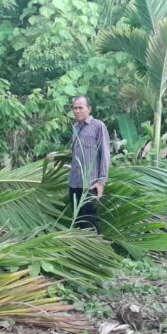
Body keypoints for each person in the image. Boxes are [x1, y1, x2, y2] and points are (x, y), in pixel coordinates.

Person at [69, 95, 111, 234]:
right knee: (78, 220)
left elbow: (105, 154)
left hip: (90, 184)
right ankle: (81, 252)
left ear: (89, 109)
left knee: (91, 220)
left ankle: (99, 250)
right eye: (75, 108)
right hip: (74, 183)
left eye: (81, 107)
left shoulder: (98, 126)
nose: (77, 111)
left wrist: (101, 182)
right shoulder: (75, 127)